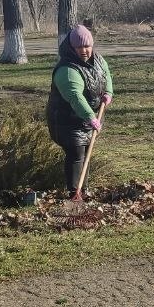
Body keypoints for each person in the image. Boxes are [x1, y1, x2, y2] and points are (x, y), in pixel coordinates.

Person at [47, 24, 114, 196]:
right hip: (66, 120)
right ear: (71, 47)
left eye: (87, 46)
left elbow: (106, 75)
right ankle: (73, 192)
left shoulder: (98, 60)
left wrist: (108, 93)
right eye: (79, 47)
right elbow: (75, 97)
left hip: (88, 118)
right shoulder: (67, 70)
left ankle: (83, 190)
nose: (84, 50)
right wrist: (90, 117)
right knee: (76, 152)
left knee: (86, 150)